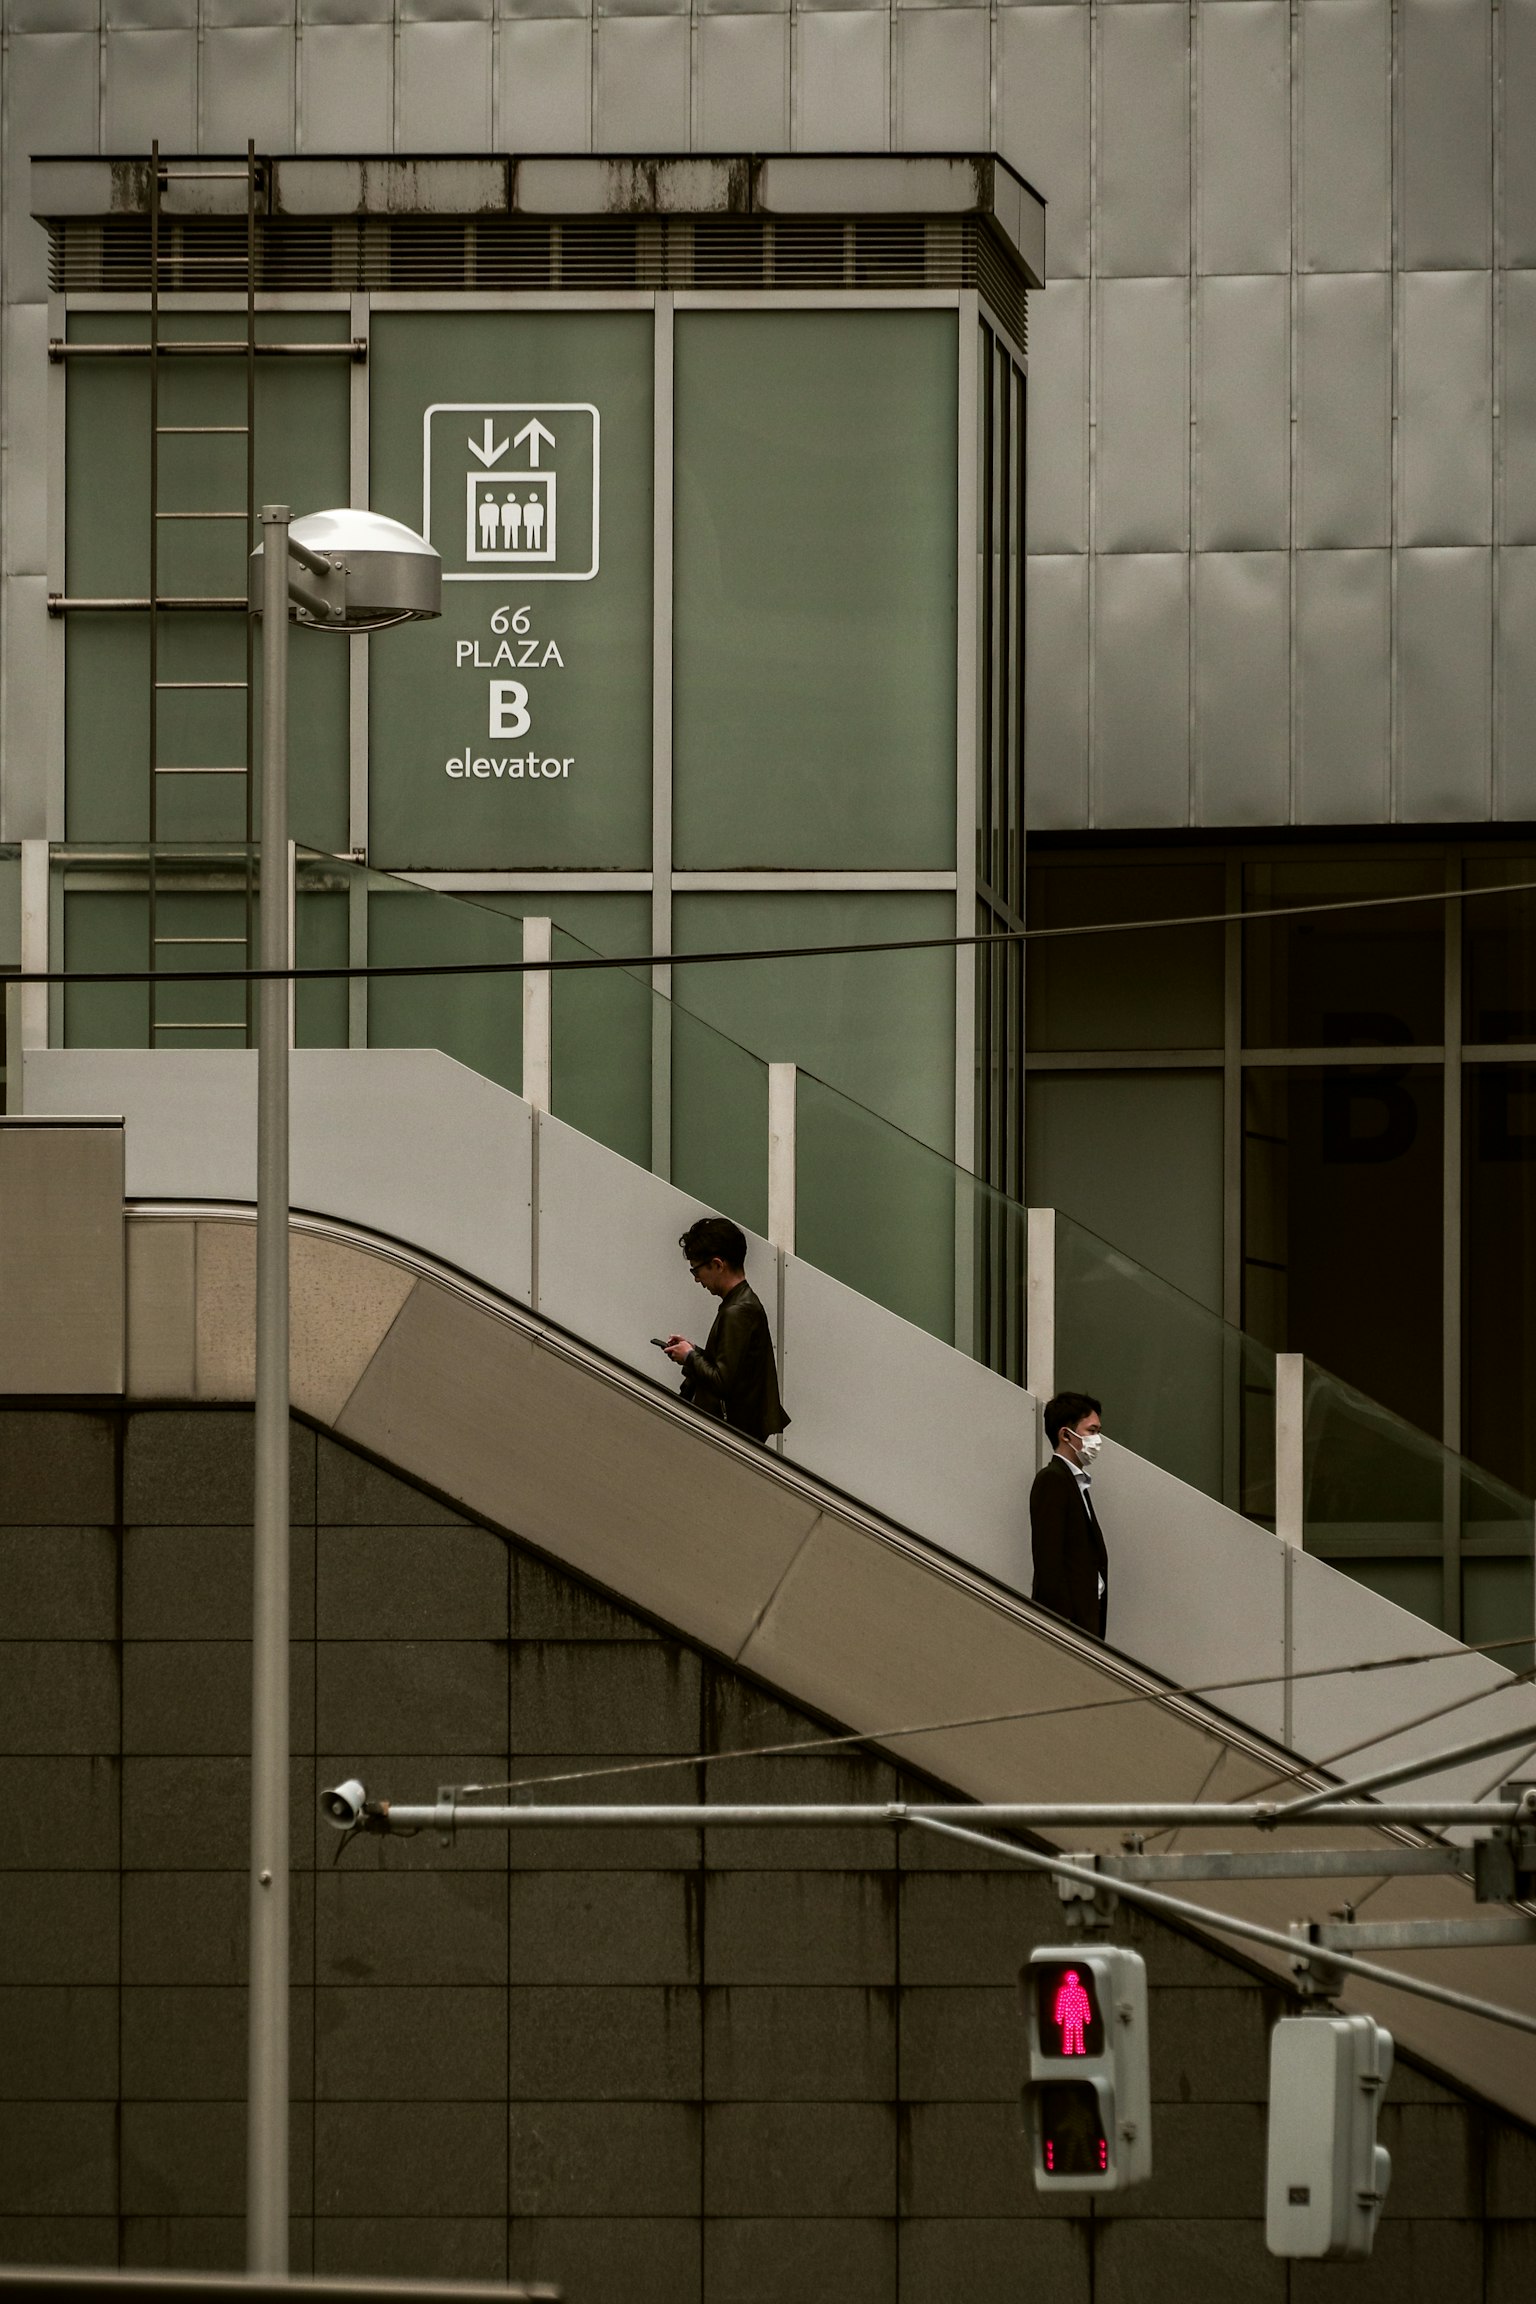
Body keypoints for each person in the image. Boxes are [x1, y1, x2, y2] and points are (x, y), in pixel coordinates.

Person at [662, 1214, 790, 1444]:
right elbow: (731, 1369)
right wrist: (693, 1351)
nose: (696, 1279)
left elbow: (722, 1381)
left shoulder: (737, 1311)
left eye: (696, 1270)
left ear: (718, 1265)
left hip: (732, 1435)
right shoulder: (743, 1303)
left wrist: (690, 1357)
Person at [1030, 1391, 1108, 1638]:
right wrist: (1061, 1624)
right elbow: (1048, 1559)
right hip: (1068, 1625)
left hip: (1085, 1618)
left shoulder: (1077, 1484)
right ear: (1066, 1434)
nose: (1098, 1440)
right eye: (1092, 1431)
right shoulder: (1052, 1480)